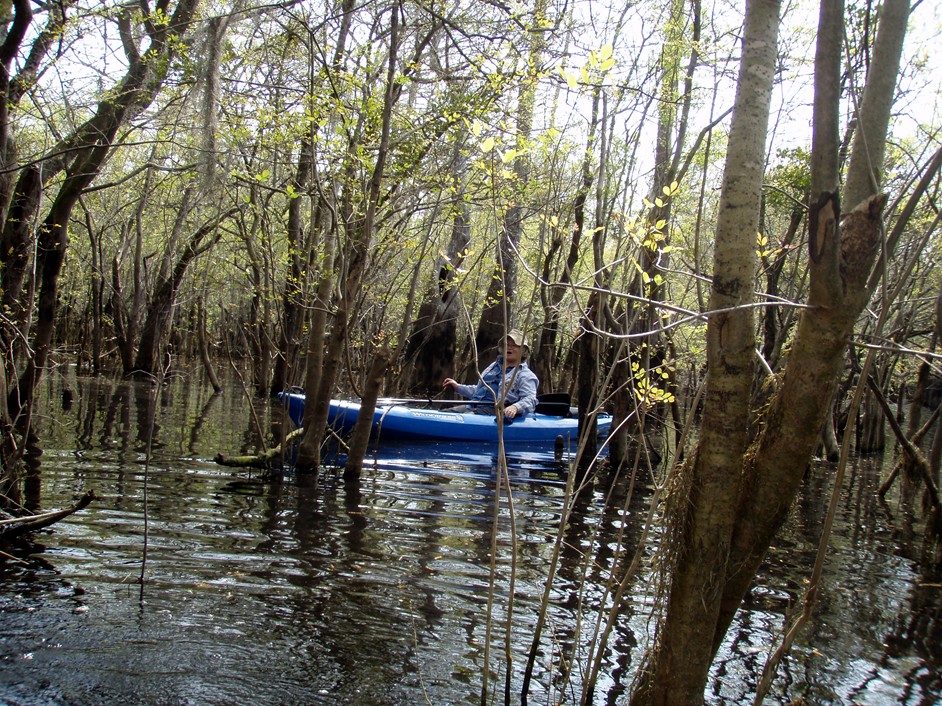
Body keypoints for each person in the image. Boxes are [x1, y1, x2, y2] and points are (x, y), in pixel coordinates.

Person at [442, 329, 539, 418]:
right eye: (507, 344)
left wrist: (515, 407)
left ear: (524, 351)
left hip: (495, 411)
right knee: (445, 413)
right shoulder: (493, 366)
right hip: (473, 406)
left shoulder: (526, 375)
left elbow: (530, 400)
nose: (509, 348)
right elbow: (481, 391)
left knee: (467, 417)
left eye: (514, 345)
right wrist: (458, 387)